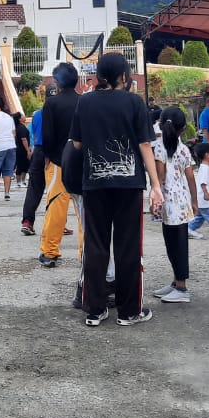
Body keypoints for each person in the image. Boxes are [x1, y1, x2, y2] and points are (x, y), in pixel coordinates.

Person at [69, 52, 164, 326]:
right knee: (128, 247)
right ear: (124, 76)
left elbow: (76, 144)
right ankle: (129, 311)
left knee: (96, 245)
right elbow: (145, 145)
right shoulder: (134, 103)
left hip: (95, 185)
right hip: (129, 185)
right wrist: (155, 185)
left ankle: (95, 310)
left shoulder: (84, 102)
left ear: (99, 76)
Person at [150, 106, 198, 304]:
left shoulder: (159, 147)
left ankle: (182, 287)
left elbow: (159, 178)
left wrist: (154, 198)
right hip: (181, 204)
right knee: (176, 245)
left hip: (169, 204)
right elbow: (190, 178)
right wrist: (194, 202)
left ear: (160, 125)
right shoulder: (184, 148)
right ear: (183, 129)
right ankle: (176, 283)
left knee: (175, 246)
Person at [38, 63, 83, 267]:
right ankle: (86, 252)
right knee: (84, 210)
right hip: (82, 162)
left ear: (57, 81)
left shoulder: (51, 104)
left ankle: (50, 251)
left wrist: (47, 156)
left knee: (56, 207)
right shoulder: (84, 102)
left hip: (58, 161)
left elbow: (47, 136)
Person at [186, 142, 209, 239]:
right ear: (207, 155)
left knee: (200, 217)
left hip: (203, 200)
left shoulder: (207, 168)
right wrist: (206, 192)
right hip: (206, 199)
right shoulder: (204, 168)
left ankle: (189, 229)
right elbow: (203, 182)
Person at [19, 105, 47, 235]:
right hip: (55, 152)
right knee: (57, 191)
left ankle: (27, 221)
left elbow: (35, 134)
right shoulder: (60, 110)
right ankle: (58, 223)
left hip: (38, 151)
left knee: (34, 188)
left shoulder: (37, 115)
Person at [13, 112, 32, 187]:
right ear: (19, 118)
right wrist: (27, 150)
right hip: (22, 149)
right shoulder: (21, 128)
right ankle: (19, 182)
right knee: (21, 165)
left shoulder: (19, 127)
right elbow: (24, 139)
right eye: (22, 116)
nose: (24, 116)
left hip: (20, 148)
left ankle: (22, 181)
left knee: (25, 165)